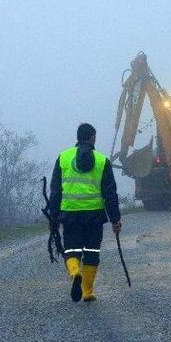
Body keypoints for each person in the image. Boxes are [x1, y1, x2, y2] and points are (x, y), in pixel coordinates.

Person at [49, 123, 122, 302]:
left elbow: (56, 191)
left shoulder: (63, 158)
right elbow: (110, 193)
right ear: (92, 138)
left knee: (72, 250)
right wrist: (115, 219)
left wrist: (53, 216)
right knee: (91, 252)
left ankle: (75, 273)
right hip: (94, 216)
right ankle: (88, 292)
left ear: (78, 137)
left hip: (70, 215)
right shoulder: (102, 160)